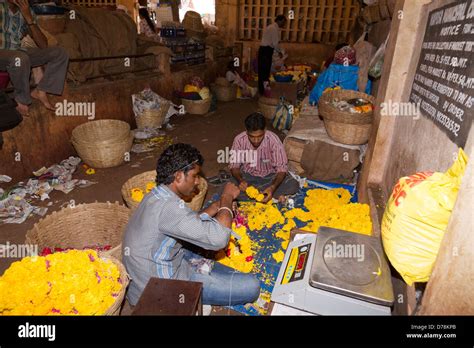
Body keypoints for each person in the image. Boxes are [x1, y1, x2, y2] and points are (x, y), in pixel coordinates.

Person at [123, 143, 261, 307]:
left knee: (198, 248)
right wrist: (227, 197)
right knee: (252, 286)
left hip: (150, 271)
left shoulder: (156, 195)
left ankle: (204, 278)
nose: (197, 182)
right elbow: (219, 239)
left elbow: (183, 222)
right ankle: (192, 296)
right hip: (160, 289)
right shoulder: (169, 209)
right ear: (179, 176)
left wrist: (215, 207)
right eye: (194, 176)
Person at [0, 0, 69, 116]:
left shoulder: (27, 11)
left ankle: (41, 90)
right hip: (3, 53)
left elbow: (43, 44)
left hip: (18, 52)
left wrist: (29, 18)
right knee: (20, 58)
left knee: (59, 53)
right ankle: (21, 100)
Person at [229, 112, 299, 203]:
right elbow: (234, 166)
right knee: (228, 185)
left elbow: (282, 169)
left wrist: (272, 187)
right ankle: (271, 196)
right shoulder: (239, 140)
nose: (256, 141)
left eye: (260, 136)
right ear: (246, 131)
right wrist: (240, 181)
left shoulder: (273, 140)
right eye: (252, 137)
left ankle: (264, 194)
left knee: (293, 185)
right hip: (248, 177)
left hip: (270, 177)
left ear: (265, 130)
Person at [258, 15, 287, 95]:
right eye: (283, 22)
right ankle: (264, 91)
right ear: (279, 20)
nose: (283, 24)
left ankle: (263, 90)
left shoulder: (272, 27)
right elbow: (275, 43)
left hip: (265, 51)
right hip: (266, 51)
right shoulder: (273, 28)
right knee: (265, 72)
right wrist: (280, 52)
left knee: (263, 72)